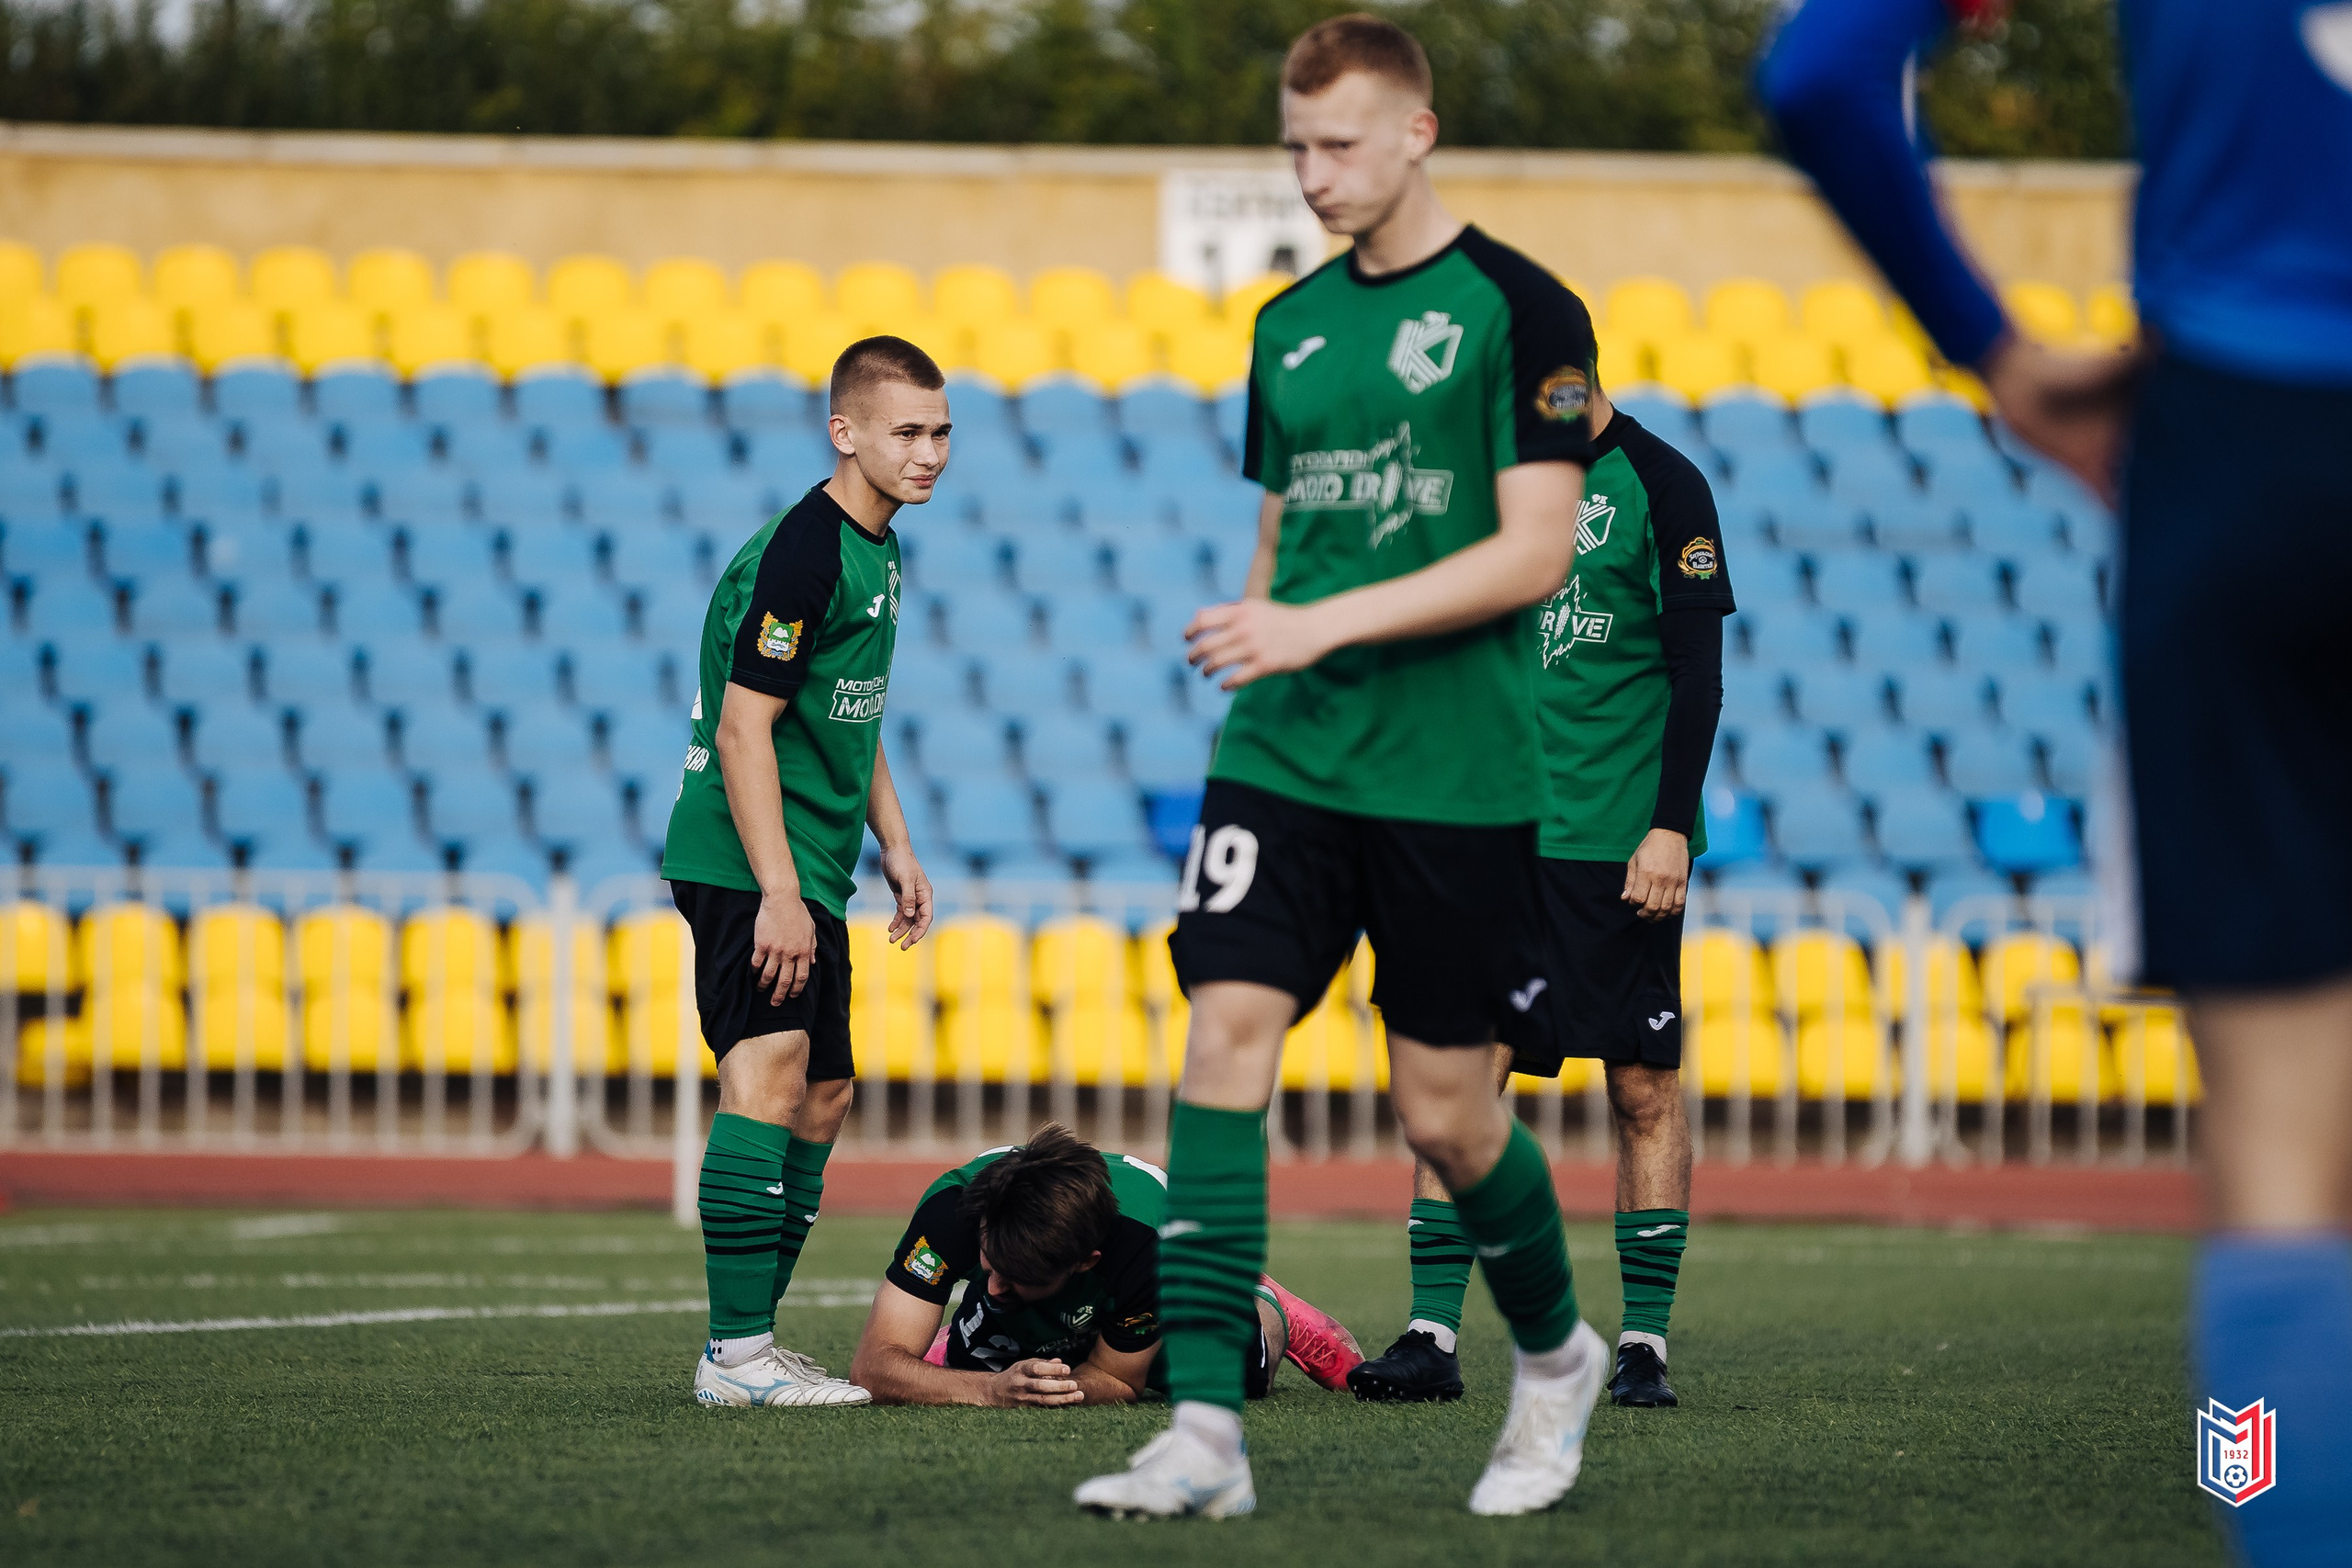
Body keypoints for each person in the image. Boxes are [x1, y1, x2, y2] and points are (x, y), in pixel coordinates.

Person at [1760, 4, 2352, 1562]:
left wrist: (1996, 348)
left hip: (2240, 455)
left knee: (2280, 1154)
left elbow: (1819, 75)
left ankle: (2276, 1526)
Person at [1073, 15, 1605, 1521]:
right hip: (1286, 759)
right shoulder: (1287, 330)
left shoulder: (1523, 308)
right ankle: (1201, 1432)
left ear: (1419, 132)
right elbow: (1281, 543)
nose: (1312, 173)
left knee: (1444, 1113)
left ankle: (1557, 1354)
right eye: (1295, 146)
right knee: (1222, 1035)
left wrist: (1314, 622)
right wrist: (1269, 640)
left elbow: (1535, 549)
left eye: (1341, 143)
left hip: (1456, 776)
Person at [1350, 373, 1733, 1412]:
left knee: (1640, 1086)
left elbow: (1697, 671)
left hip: (1615, 842)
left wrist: (1667, 828)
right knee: (1459, 1077)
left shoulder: (1664, 484)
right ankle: (1432, 1332)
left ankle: (1642, 1344)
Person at [660, 336, 944, 1409]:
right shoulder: (806, 552)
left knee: (824, 1092)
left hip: (812, 865)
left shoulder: (882, 547)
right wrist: (778, 891)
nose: (929, 453)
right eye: (907, 432)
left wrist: (896, 842)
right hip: (749, 858)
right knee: (772, 1074)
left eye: (941, 431)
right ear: (847, 433)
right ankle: (734, 1359)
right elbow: (745, 733)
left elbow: (847, 717)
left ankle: (751, 1345)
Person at [849, 1123, 1363, 1406]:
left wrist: (1041, 1390)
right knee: (966, 1365)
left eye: (1018, 1277)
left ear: (1085, 1262)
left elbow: (1119, 1382)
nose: (996, 1285)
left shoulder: (1150, 1245)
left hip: (1171, 1275)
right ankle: (984, 1332)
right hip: (1077, 1282)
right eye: (990, 1266)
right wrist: (991, 1389)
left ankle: (1260, 1298)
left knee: (1240, 1378)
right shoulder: (953, 1210)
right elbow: (873, 1367)